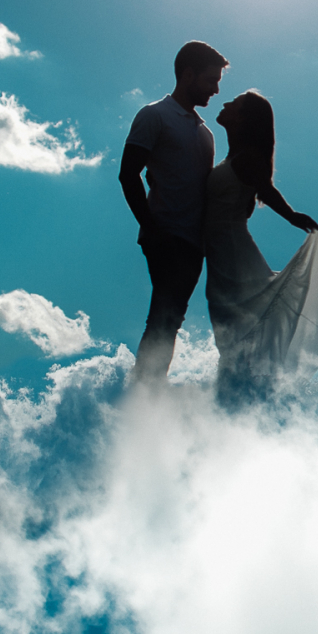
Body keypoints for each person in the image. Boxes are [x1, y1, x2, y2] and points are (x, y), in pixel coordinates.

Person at [204, 89, 318, 395]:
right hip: (220, 257)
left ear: (244, 119)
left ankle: (241, 397)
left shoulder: (246, 159)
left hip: (234, 256)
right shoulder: (232, 156)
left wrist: (291, 215)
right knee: (231, 332)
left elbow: (265, 190)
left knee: (239, 330)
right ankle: (235, 396)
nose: (225, 103)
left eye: (234, 104)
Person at [119, 41, 227, 381]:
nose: (216, 89)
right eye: (210, 80)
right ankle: (145, 392)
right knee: (165, 316)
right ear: (188, 74)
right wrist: (151, 228)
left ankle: (149, 389)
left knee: (171, 317)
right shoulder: (155, 115)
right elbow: (128, 173)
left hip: (194, 244)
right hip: (166, 235)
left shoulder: (206, 134)